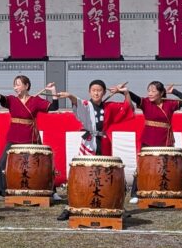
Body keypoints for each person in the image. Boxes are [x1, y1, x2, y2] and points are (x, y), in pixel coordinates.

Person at [56, 80, 134, 220]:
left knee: (106, 175)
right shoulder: (87, 105)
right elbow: (77, 102)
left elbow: (128, 108)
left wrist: (125, 93)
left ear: (104, 92)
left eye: (99, 90)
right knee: (82, 174)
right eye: (93, 90)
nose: (96, 93)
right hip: (89, 143)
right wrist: (70, 95)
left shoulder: (109, 106)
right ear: (89, 92)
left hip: (104, 142)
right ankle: (71, 206)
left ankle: (114, 206)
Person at [0, 75, 59, 203]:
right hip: (14, 137)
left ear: (26, 86)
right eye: (14, 85)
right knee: (2, 164)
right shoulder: (12, 100)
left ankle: (52, 191)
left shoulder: (36, 100)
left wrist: (53, 91)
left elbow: (54, 107)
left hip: (31, 137)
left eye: (18, 84)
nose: (15, 87)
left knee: (42, 163)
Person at [125, 81, 182, 203]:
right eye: (149, 91)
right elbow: (135, 98)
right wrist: (126, 92)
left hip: (166, 140)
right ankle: (135, 194)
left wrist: (174, 91)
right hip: (149, 138)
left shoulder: (170, 104)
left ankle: (177, 192)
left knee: (170, 167)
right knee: (143, 166)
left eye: (153, 91)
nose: (150, 93)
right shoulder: (145, 102)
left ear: (161, 93)